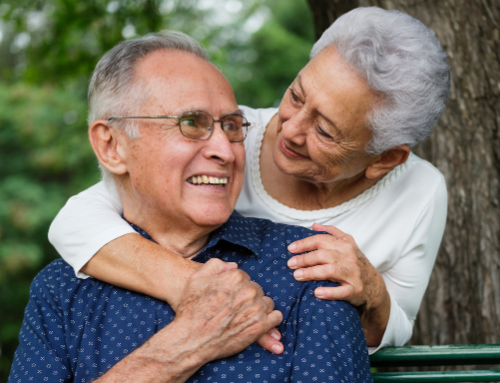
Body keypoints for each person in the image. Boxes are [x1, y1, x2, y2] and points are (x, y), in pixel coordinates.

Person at [0, 32, 376, 383]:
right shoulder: (61, 289)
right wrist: (187, 342)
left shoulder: (310, 265)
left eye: (231, 127)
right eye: (192, 124)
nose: (225, 152)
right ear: (111, 145)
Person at [48, 7, 451, 353]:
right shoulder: (224, 136)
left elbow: (395, 325)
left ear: (385, 159)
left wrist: (372, 291)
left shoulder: (420, 191)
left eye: (325, 132)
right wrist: (194, 285)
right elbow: (75, 222)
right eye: (296, 95)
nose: (290, 128)